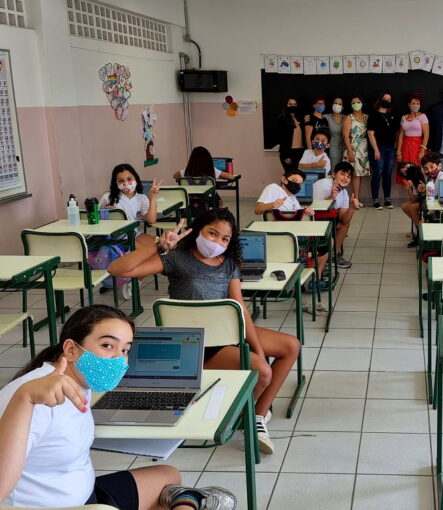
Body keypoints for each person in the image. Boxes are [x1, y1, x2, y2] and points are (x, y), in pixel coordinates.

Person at [0, 305, 236, 509]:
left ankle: (186, 500)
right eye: (107, 346)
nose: (118, 359)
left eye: (125, 350)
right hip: (65, 507)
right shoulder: (33, 398)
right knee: (174, 495)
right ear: (71, 349)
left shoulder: (77, 377)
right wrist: (25, 399)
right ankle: (188, 502)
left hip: (86, 493)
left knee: (167, 475)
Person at [109, 210, 301, 455]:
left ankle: (257, 417)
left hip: (228, 333)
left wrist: (259, 350)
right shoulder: (177, 258)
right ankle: (241, 415)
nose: (217, 242)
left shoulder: (229, 263)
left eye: (224, 238)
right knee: (262, 372)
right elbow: (119, 270)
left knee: (291, 345)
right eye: (212, 233)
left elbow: (239, 307)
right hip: (196, 343)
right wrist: (158, 245)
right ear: (198, 229)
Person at [313, 161, 361, 269]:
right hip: (313, 221)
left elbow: (344, 220)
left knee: (345, 225)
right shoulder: (323, 184)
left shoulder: (344, 193)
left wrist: (352, 208)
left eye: (348, 177)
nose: (345, 178)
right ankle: (323, 256)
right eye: (342, 174)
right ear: (334, 174)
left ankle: (334, 256)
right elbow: (314, 208)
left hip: (328, 221)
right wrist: (331, 197)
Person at [99, 163, 159, 248]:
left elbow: (151, 220)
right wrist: (106, 213)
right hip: (115, 238)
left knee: (159, 245)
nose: (126, 183)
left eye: (129, 179)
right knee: (149, 251)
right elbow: (95, 219)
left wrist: (153, 198)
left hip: (134, 233)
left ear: (136, 179)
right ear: (115, 183)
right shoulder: (107, 198)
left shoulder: (142, 198)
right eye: (121, 181)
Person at [367, 92, 398, 209]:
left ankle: (387, 199)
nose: (387, 101)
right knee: (377, 173)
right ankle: (375, 200)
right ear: (380, 100)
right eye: (385, 99)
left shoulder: (392, 115)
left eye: (389, 99)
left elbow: (396, 131)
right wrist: (376, 150)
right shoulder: (374, 115)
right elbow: (370, 134)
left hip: (390, 148)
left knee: (388, 173)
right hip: (378, 148)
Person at [396, 92, 430, 182]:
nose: (415, 105)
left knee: (418, 171)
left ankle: (419, 194)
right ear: (409, 104)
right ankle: (410, 194)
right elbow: (401, 135)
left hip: (418, 147)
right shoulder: (404, 117)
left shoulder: (423, 116)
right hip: (406, 147)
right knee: (406, 170)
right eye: (413, 103)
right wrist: (398, 151)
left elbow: (426, 134)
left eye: (417, 103)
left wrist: (422, 150)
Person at [342, 95, 370, 199]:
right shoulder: (349, 117)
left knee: (359, 174)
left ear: (362, 103)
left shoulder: (367, 117)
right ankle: (355, 199)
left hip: (364, 149)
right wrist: (349, 151)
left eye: (358, 102)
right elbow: (345, 135)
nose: (356, 104)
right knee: (354, 174)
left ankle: (356, 197)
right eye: (353, 103)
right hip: (352, 148)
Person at [277, 97, 304, 171]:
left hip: (300, 151)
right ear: (286, 105)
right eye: (290, 104)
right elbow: (282, 138)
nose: (293, 106)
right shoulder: (282, 119)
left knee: (298, 175)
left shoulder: (299, 118)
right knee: (289, 175)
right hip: (289, 152)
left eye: (295, 104)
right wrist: (286, 155)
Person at [323, 97, 346, 170]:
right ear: (332, 104)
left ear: (342, 107)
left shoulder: (346, 118)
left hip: (344, 148)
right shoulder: (326, 117)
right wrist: (307, 117)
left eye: (340, 104)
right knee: (333, 170)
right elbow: (315, 118)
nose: (337, 105)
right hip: (331, 148)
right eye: (335, 103)